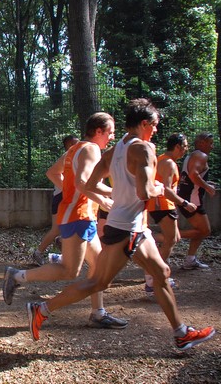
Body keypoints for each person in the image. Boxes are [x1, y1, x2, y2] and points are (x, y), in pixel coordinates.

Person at [25, 98, 216, 350]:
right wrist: (160, 188)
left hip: (130, 225)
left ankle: (181, 333)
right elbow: (146, 191)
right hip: (128, 228)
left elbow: (91, 184)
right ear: (145, 123)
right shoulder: (144, 149)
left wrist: (119, 197)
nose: (156, 130)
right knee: (98, 282)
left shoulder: (115, 150)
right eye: (155, 125)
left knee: (161, 273)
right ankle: (42, 309)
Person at [4, 113, 127, 330]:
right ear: (99, 131)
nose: (112, 136)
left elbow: (53, 173)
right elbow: (83, 182)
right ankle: (18, 276)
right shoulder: (91, 149)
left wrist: (73, 194)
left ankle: (98, 313)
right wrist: (112, 194)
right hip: (78, 216)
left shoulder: (75, 148)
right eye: (110, 132)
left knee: (98, 266)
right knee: (70, 271)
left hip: (79, 214)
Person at [145, 134, 196, 295]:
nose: (186, 150)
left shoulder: (162, 160)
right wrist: (185, 203)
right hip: (163, 205)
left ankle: (154, 274)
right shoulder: (168, 163)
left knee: (174, 238)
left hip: (161, 205)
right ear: (177, 146)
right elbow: (166, 190)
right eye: (185, 146)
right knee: (171, 239)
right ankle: (153, 278)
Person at [31, 134, 79, 265]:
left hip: (68, 197)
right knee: (56, 229)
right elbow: (56, 176)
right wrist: (68, 189)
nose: (78, 145)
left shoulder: (75, 159)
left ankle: (62, 245)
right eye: (75, 143)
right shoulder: (66, 159)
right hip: (60, 198)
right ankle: (38, 252)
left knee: (74, 226)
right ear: (68, 145)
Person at [177, 132, 216, 270]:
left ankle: (190, 260)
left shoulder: (192, 155)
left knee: (202, 230)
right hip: (192, 201)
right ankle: (165, 236)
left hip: (187, 198)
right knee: (205, 231)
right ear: (201, 143)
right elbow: (193, 175)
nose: (212, 146)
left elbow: (191, 176)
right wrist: (208, 188)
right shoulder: (201, 155)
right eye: (210, 143)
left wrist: (206, 182)